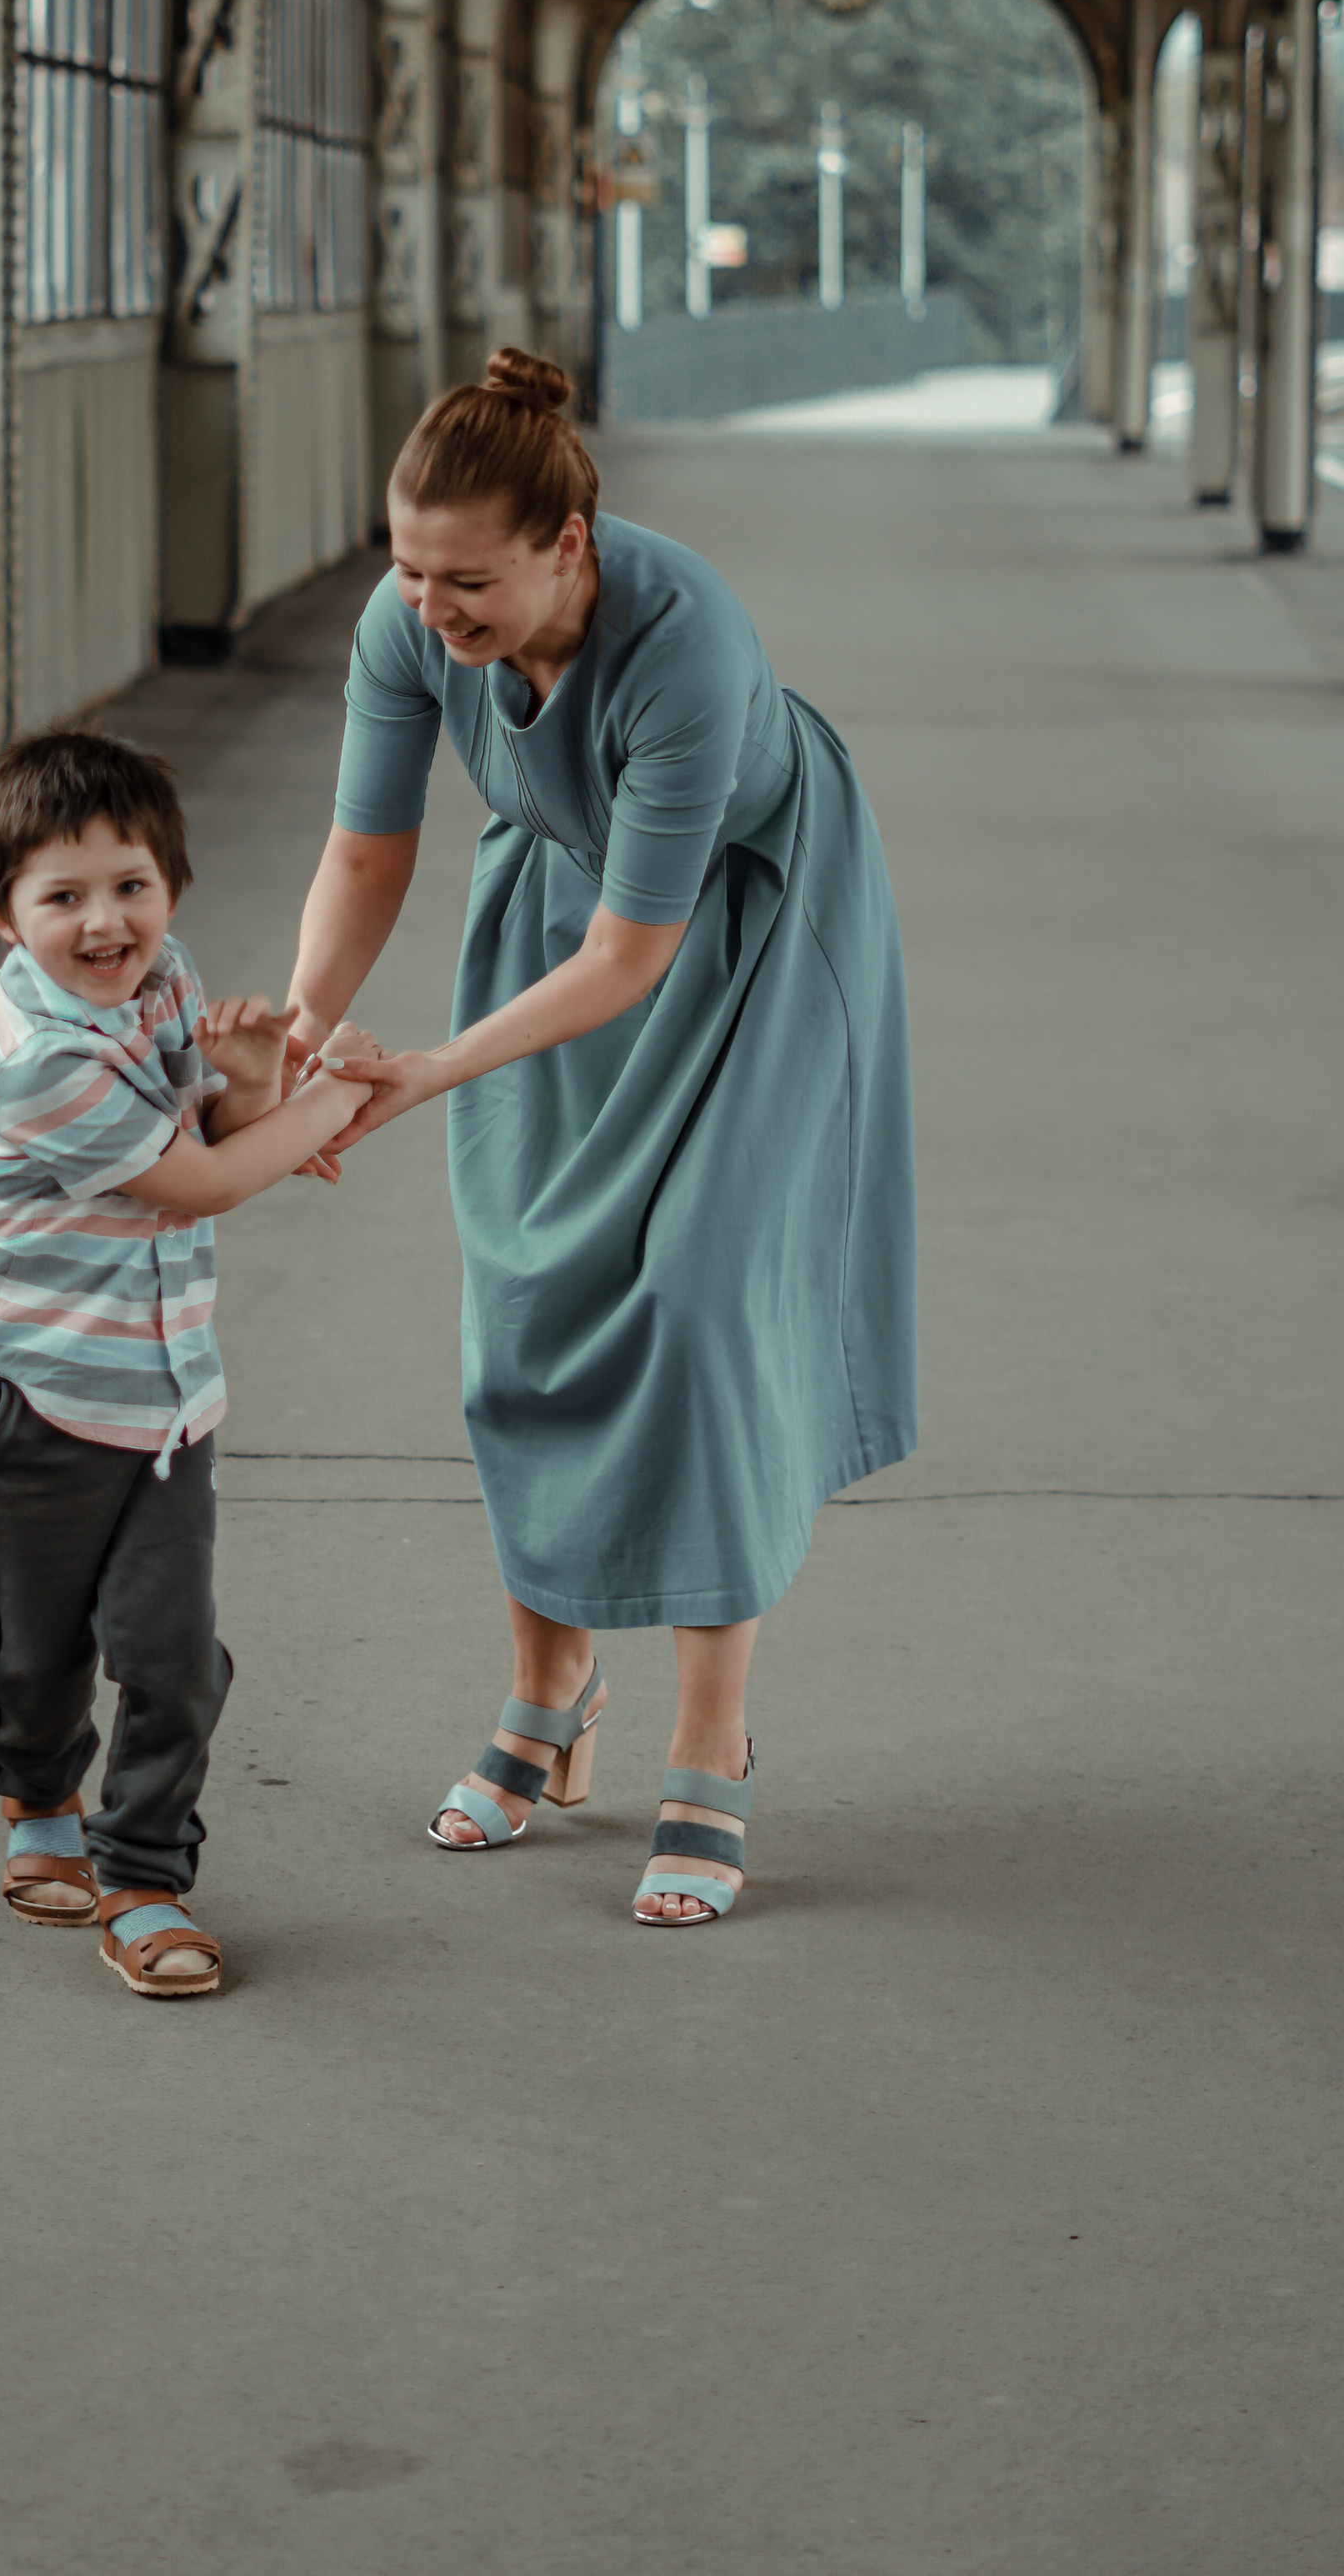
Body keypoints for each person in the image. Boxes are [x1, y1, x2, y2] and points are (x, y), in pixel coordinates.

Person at [286, 349, 917, 1924]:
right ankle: (548, 1699)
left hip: (753, 928)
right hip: (556, 906)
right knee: (524, 1297)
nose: (433, 612)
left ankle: (714, 1741)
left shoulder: (686, 643)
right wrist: (305, 1037)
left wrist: (421, 1071)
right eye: (409, 574)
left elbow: (639, 959)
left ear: (572, 543)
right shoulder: (409, 621)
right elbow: (368, 850)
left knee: (699, 1300)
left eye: (471, 582)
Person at [0, 728, 369, 2000]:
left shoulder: (164, 980)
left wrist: (257, 1075)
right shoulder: (43, 1061)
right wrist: (332, 1104)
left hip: (163, 1396)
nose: (105, 922)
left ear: (169, 887)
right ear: (7, 919)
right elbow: (208, 1182)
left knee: (172, 1655)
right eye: (61, 897)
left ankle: (144, 1879)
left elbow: (215, 1123)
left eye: (131, 886)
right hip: (26, 1394)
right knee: (37, 1649)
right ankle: (37, 1798)